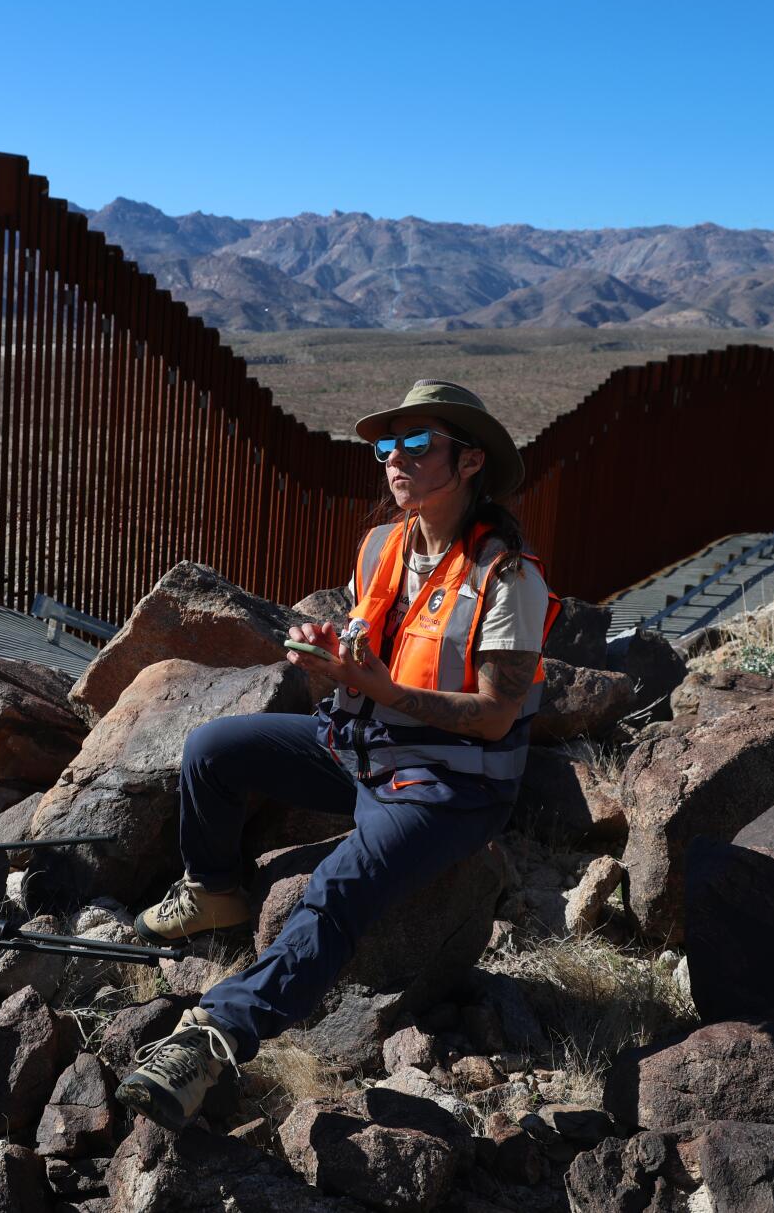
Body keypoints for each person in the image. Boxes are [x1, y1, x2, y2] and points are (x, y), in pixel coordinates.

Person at [115, 380, 558, 1129]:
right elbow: (372, 654)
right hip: (361, 746)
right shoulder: (383, 544)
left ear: (472, 460)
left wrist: (378, 686)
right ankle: (217, 890)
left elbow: (494, 715)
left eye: (418, 445)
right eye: (386, 445)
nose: (394, 459)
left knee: (338, 886)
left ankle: (215, 1035)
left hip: (446, 786)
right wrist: (334, 665)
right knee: (213, 748)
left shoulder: (509, 576)